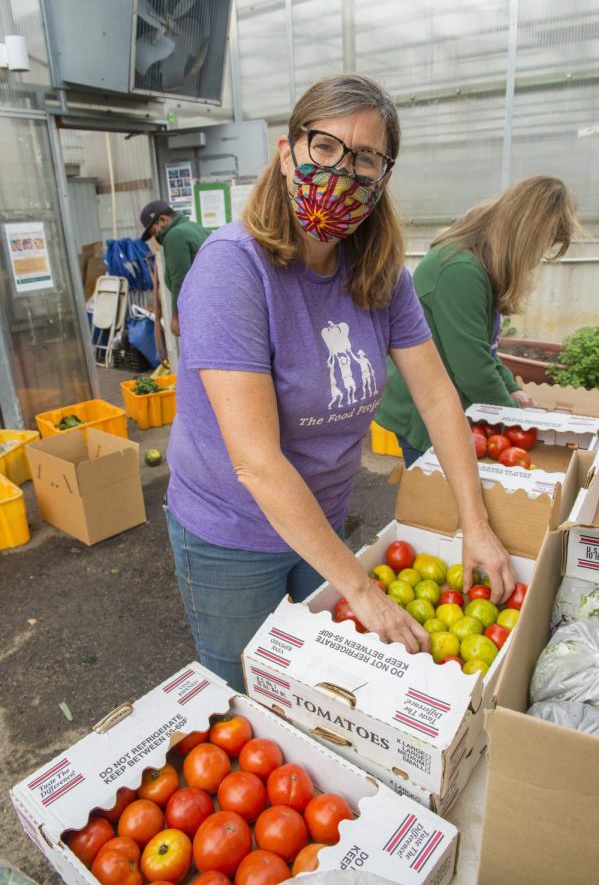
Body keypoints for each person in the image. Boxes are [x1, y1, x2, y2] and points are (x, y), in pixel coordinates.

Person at [165, 73, 515, 693]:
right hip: (233, 534)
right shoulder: (232, 271)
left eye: (365, 160)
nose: (340, 173)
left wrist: (476, 525)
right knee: (250, 694)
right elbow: (257, 462)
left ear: (383, 179)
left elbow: (437, 398)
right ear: (286, 151)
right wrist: (360, 587)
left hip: (320, 522)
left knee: (321, 686)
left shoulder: (381, 275)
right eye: (324, 147)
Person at [375, 176, 580, 466]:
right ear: (526, 235)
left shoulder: (478, 263)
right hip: (423, 413)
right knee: (436, 502)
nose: (538, 258)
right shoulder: (461, 270)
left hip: (444, 405)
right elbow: (473, 370)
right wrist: (519, 420)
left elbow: (482, 348)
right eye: (543, 244)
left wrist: (512, 387)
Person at [140, 200, 210, 336]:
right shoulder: (194, 227)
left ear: (163, 220)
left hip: (199, 313)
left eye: (154, 232)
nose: (155, 237)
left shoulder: (174, 236)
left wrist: (176, 317)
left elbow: (181, 281)